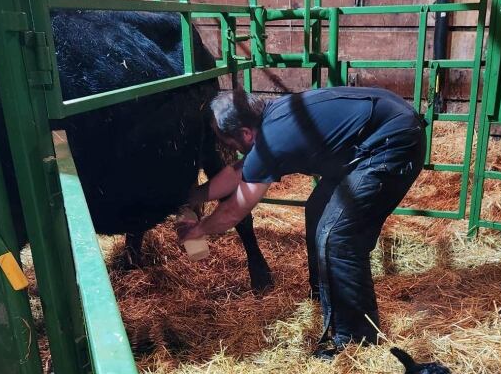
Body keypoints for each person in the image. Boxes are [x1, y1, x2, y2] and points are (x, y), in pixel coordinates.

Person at [178, 86, 427, 358]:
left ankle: (356, 344)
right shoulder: (271, 120)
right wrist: (196, 195)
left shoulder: (272, 140)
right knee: (318, 211)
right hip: (375, 135)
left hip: (392, 143)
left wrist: (199, 230)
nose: (229, 149)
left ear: (245, 134)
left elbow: (232, 213)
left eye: (227, 142)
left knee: (338, 238)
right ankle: (325, 296)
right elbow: (238, 172)